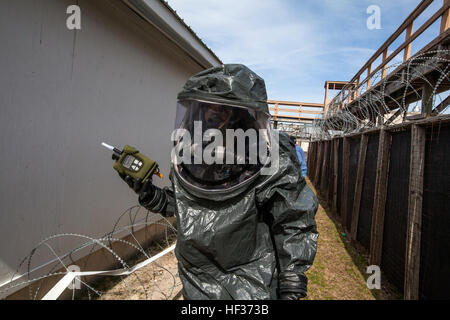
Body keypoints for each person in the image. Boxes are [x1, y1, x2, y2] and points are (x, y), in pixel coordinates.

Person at [118, 64, 318, 300]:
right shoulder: (192, 154)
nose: (215, 116)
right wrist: (151, 194)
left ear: (241, 114)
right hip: (196, 281)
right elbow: (185, 206)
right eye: (208, 108)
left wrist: (291, 282)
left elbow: (293, 220)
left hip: (252, 283)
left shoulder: (268, 155)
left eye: (224, 110)